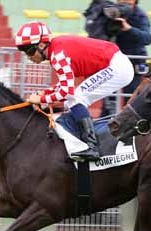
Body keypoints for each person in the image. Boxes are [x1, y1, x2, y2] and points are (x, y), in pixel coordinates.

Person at [15, 21, 134, 161]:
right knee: (73, 99)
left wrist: (41, 99)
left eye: (29, 51)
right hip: (117, 65)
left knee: (76, 98)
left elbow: (66, 90)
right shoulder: (56, 50)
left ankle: (92, 147)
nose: (29, 57)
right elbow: (66, 84)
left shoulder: (57, 56)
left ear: (41, 45)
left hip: (118, 68)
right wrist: (47, 93)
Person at [90, 0, 151, 117]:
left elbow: (148, 39)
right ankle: (103, 129)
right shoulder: (110, 12)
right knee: (109, 105)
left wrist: (129, 29)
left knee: (132, 104)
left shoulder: (140, 16)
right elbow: (95, 33)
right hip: (113, 65)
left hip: (134, 67)